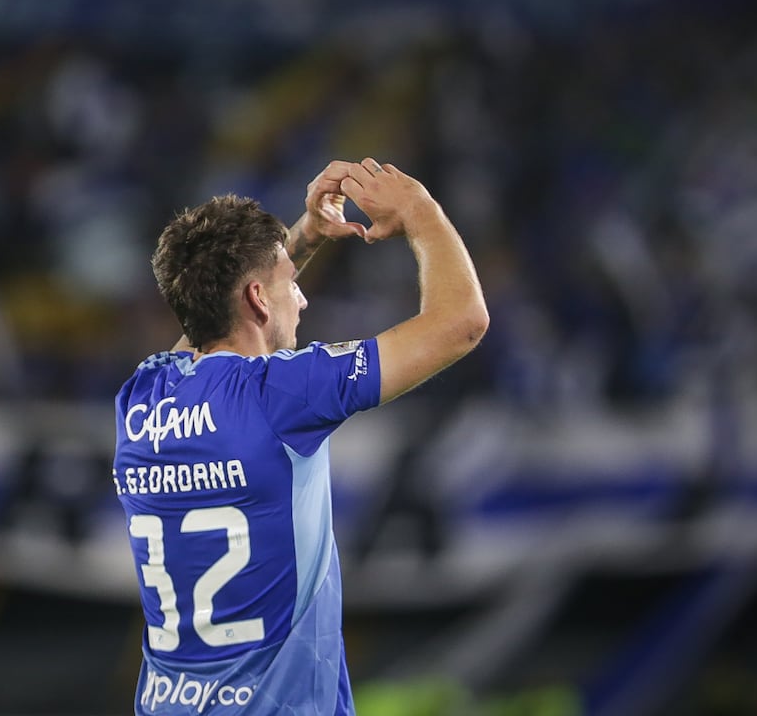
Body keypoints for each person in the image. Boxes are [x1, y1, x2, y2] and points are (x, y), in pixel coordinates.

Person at [112, 158, 488, 714]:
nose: (304, 298)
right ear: (261, 298)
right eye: (292, 282)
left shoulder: (141, 397)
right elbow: (463, 322)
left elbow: (207, 325)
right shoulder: (284, 394)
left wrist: (304, 238)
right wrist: (419, 210)